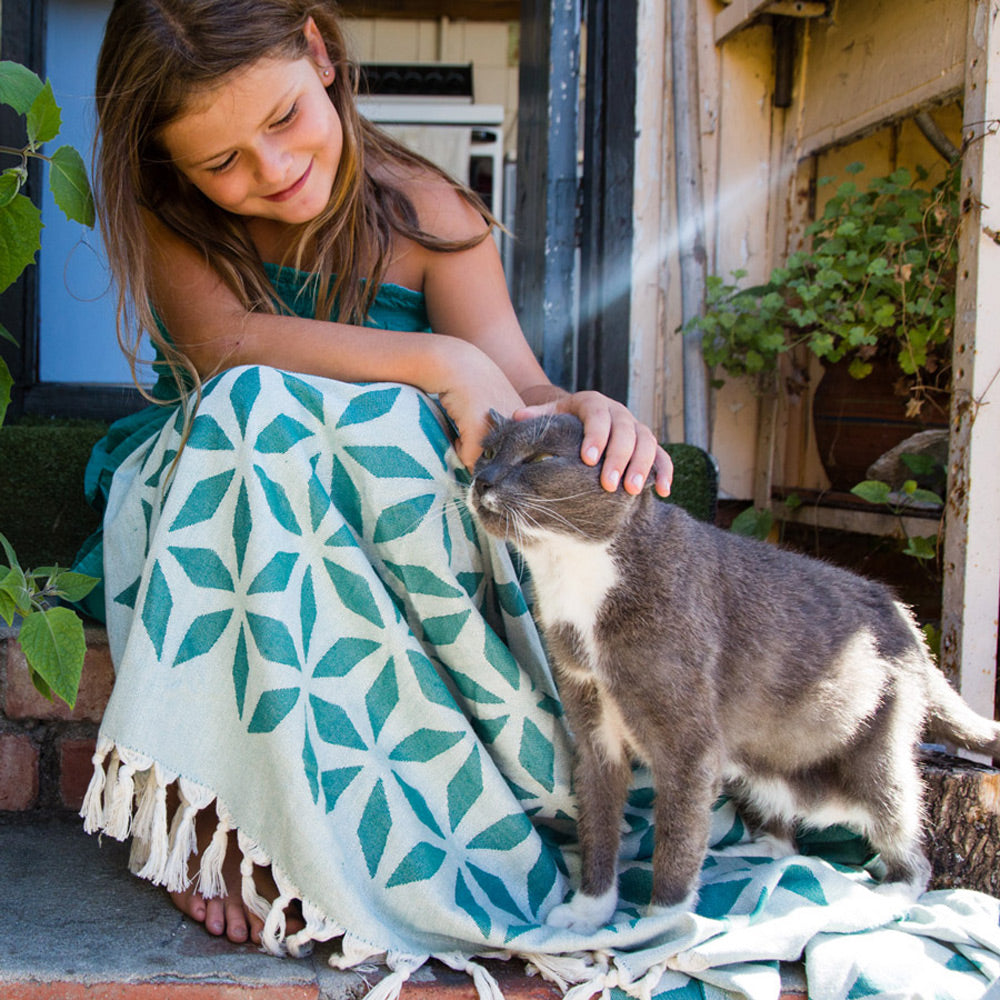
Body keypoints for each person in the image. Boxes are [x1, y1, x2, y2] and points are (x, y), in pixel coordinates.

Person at [76, 0, 672, 960]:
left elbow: (517, 390)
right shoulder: (169, 211)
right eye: (221, 162)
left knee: (420, 447)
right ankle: (232, 817)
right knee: (256, 412)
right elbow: (228, 349)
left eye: (282, 121)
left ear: (318, 51)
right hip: (216, 502)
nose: (270, 171)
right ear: (170, 166)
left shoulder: (429, 212)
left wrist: (585, 405)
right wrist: (434, 361)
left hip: (380, 529)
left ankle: (385, 826)